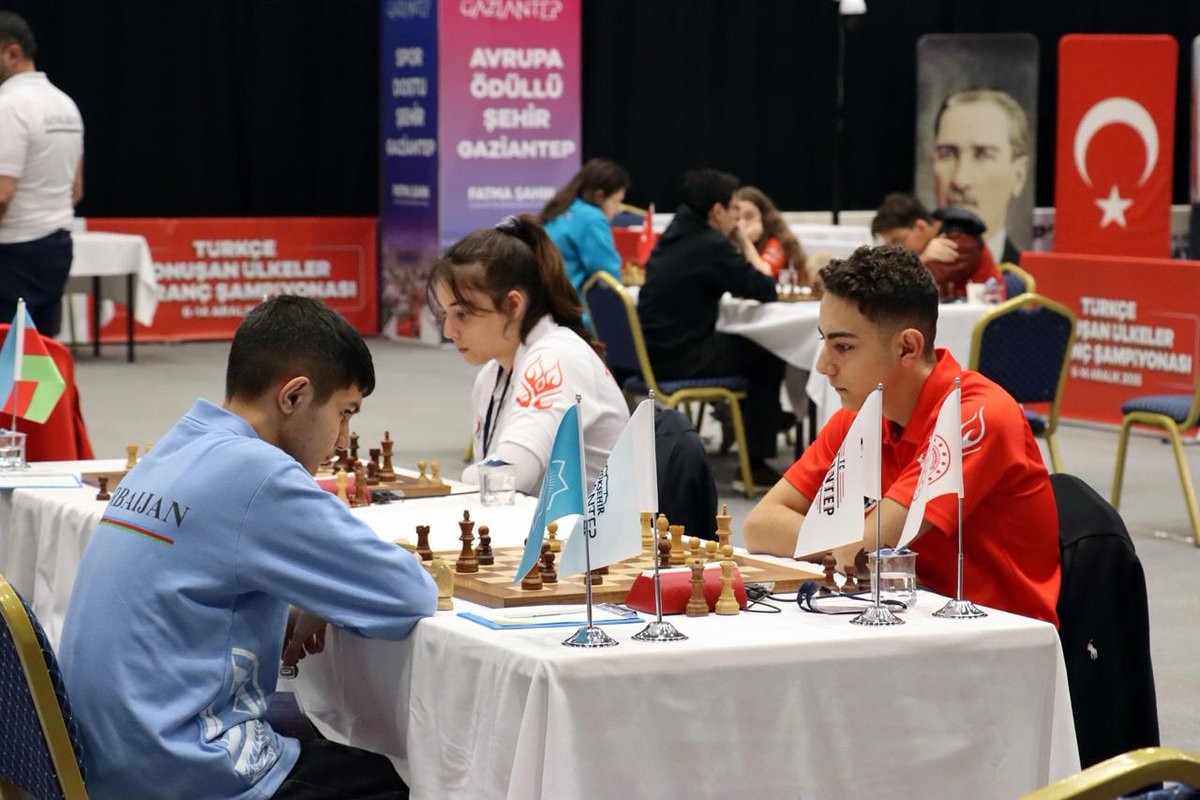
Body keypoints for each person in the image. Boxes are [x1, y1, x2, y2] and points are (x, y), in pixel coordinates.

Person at [59, 296, 437, 800]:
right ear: (294, 396)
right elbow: (409, 594)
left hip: (99, 761)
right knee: (411, 779)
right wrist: (335, 590)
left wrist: (314, 594)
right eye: (344, 413)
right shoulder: (259, 473)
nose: (344, 439)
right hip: (183, 770)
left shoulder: (177, 445)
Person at [742, 245, 1060, 624]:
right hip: (910, 617)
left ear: (908, 347)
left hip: (1000, 634)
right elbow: (760, 525)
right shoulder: (861, 414)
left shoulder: (976, 416)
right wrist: (844, 545)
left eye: (843, 346)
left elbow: (869, 546)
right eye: (823, 341)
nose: (824, 365)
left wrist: (838, 543)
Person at [430, 214, 629, 494]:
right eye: (445, 315)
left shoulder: (554, 358)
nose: (449, 331)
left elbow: (508, 476)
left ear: (514, 305)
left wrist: (458, 480)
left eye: (463, 314)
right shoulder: (491, 374)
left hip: (593, 524)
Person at [637, 168, 785, 488]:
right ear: (717, 211)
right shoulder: (709, 244)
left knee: (742, 345)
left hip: (652, 355)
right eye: (734, 209)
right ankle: (755, 461)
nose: (737, 218)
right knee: (767, 351)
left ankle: (755, 424)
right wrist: (743, 241)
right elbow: (764, 288)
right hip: (681, 360)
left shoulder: (675, 233)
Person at [0, 12, 83, 335]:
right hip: (56, 249)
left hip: (13, 253)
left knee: (8, 355)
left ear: (13, 53)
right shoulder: (66, 105)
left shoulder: (9, 106)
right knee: (38, 353)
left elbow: (2, 195)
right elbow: (76, 190)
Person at [931, 87, 1030, 265]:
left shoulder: (1027, 277)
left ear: (1019, 175)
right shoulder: (908, 268)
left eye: (983, 155)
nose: (960, 180)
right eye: (947, 154)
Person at [871, 192, 1004, 301]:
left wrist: (921, 259)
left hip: (988, 317)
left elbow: (908, 285)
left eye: (898, 241)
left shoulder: (959, 240)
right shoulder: (932, 239)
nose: (894, 249)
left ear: (921, 226)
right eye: (888, 244)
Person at [541, 157, 630, 293]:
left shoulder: (563, 207)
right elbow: (608, 272)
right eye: (617, 201)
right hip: (570, 300)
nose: (618, 209)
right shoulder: (591, 218)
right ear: (600, 195)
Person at [732, 185, 810, 284]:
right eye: (737, 218)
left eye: (749, 216)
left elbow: (764, 278)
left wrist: (745, 242)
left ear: (764, 217)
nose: (742, 224)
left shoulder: (778, 243)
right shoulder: (728, 241)